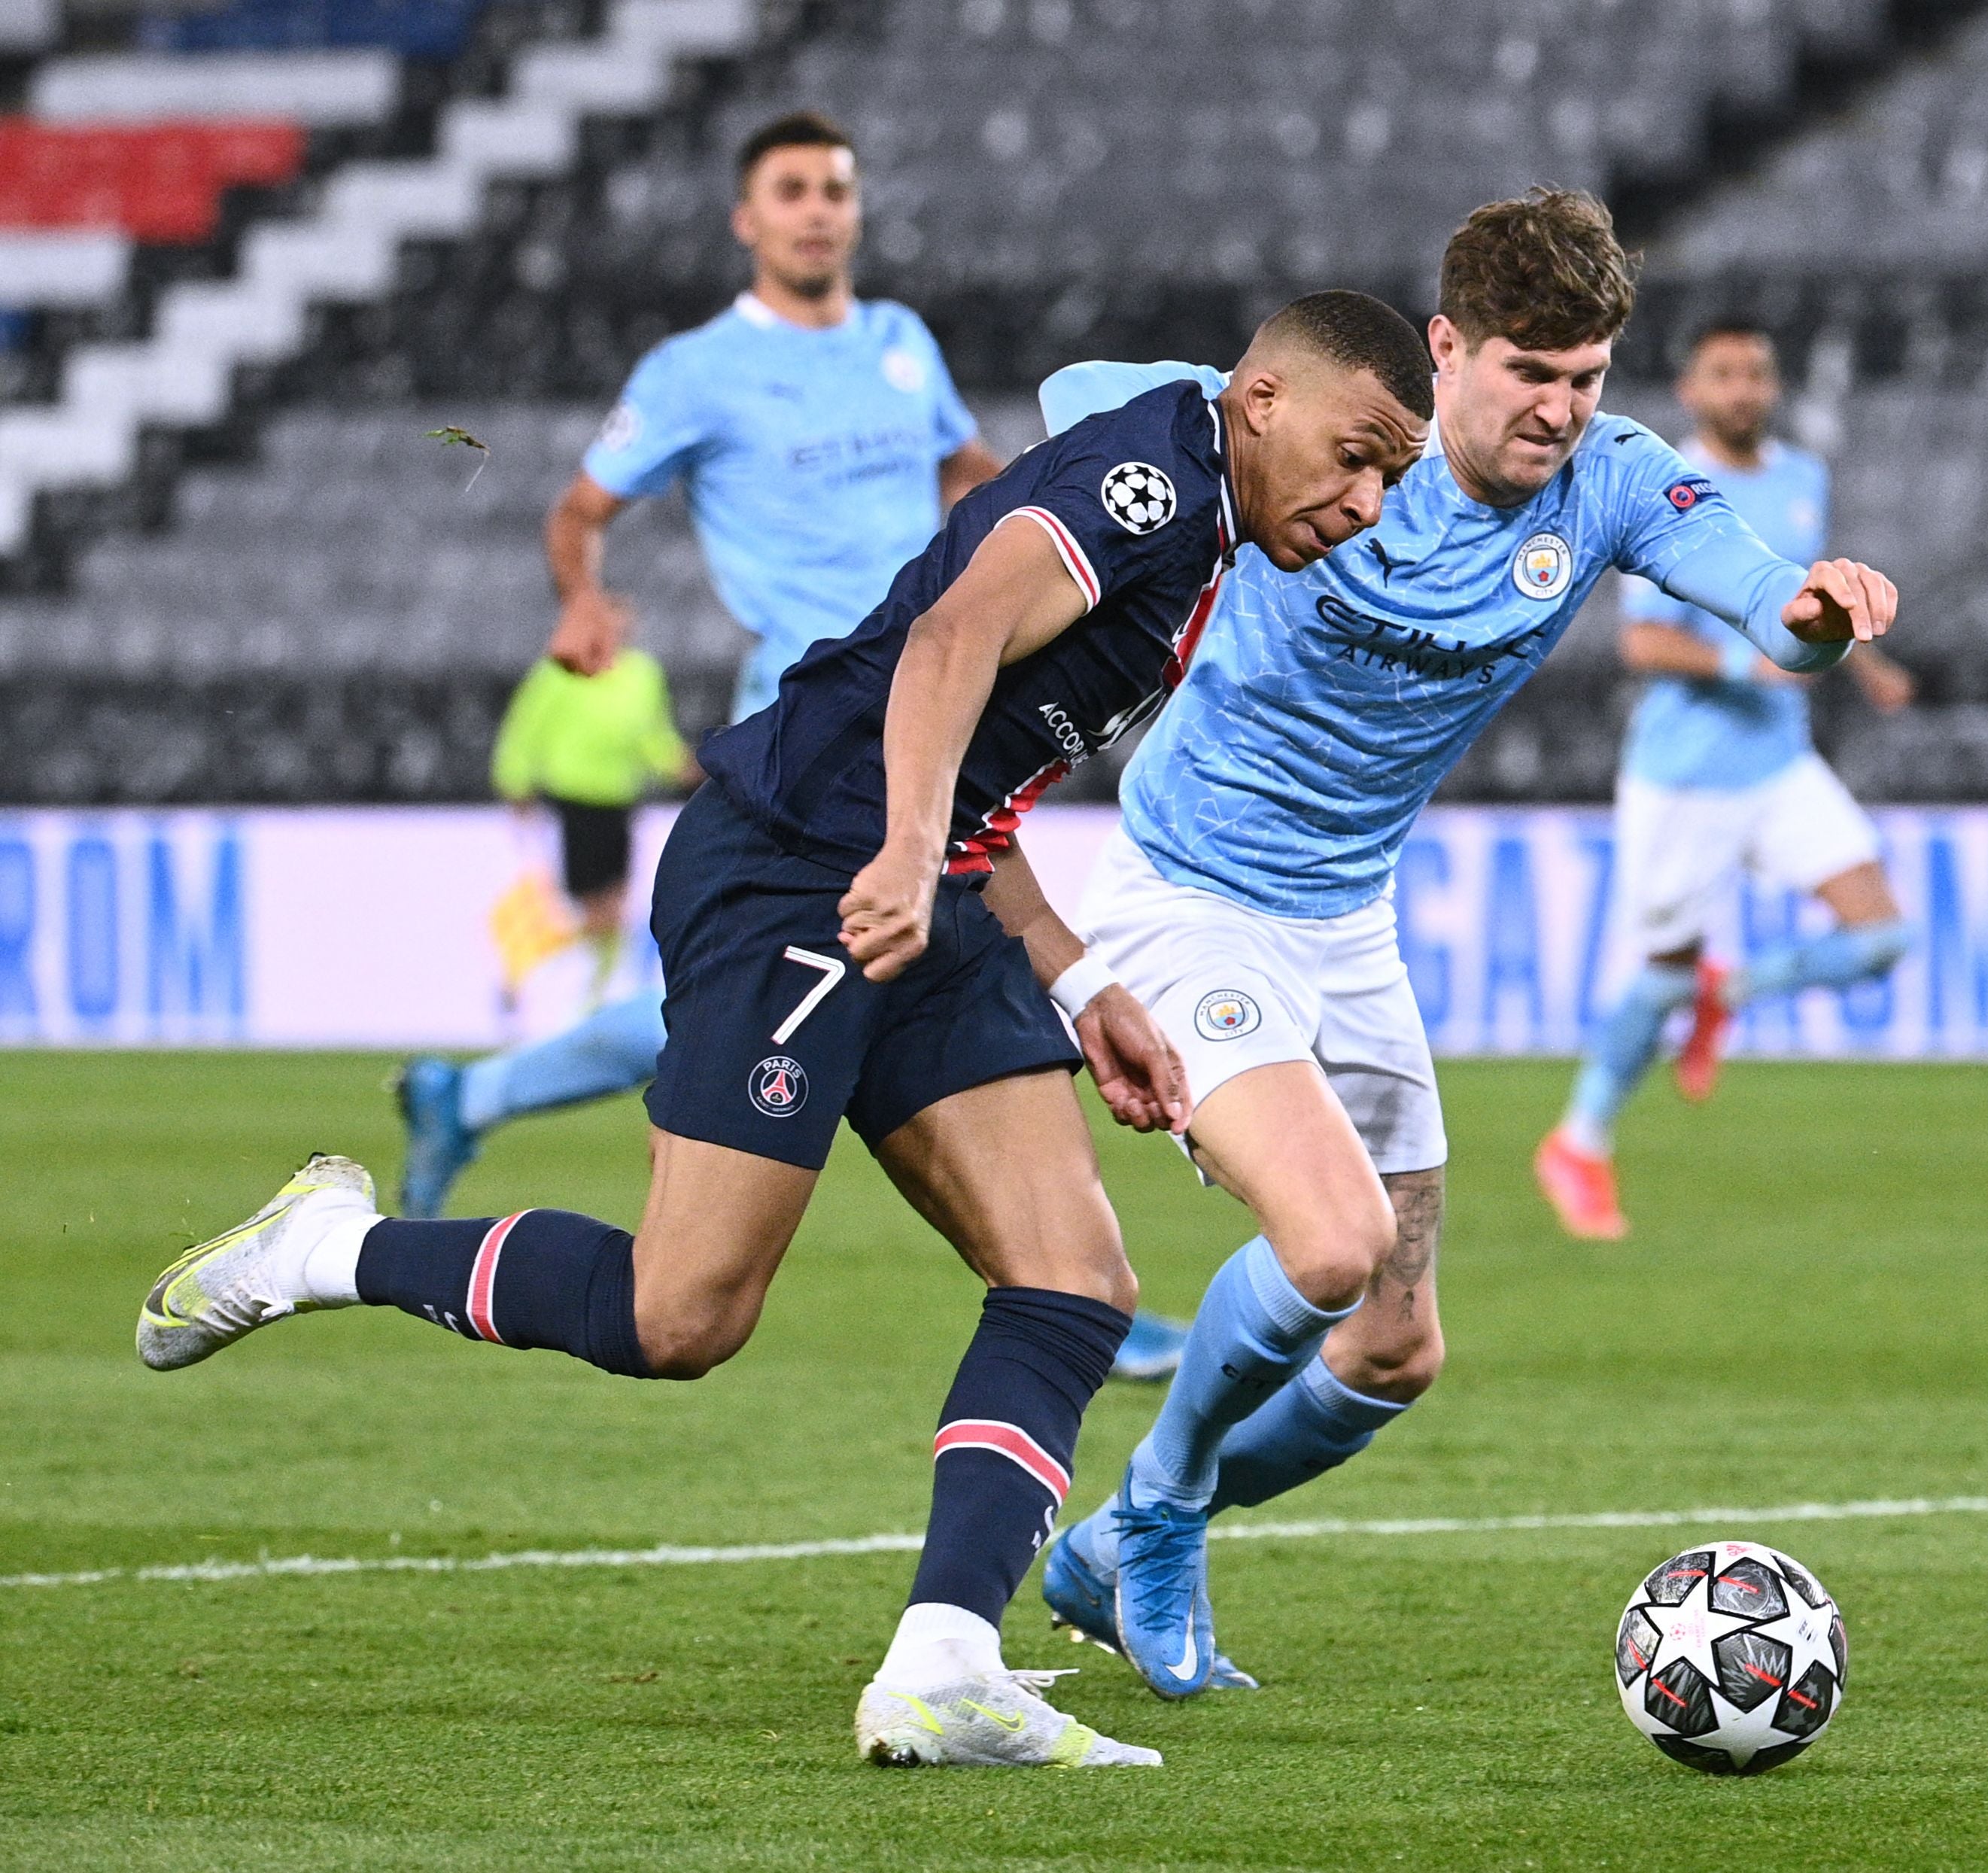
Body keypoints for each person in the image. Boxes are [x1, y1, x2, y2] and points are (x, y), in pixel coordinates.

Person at [135, 290, 1436, 1768]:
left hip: (914, 879)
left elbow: (977, 748)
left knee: (1072, 1276)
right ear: (1263, 399)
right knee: (680, 1315)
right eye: (1358, 452)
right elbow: (947, 642)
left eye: (1393, 475)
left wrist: (1076, 978)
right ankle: (324, 1247)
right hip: (799, 866)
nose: (1367, 499)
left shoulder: (1201, 520)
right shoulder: (1152, 487)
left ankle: (944, 1662)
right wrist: (893, 852)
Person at [1021, 190, 1899, 1700]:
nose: (1559, 408)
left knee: (1391, 1348)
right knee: (1331, 1241)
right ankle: (1158, 1513)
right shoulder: (1331, 436)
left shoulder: (1610, 485)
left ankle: (1108, 1543)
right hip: (1183, 899)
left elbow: (1761, 596)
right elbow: (1078, 403)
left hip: (1349, 923)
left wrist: (1817, 614)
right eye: (1527, 373)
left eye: (1586, 376)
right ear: (1445, 351)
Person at [392, 112, 1193, 1369]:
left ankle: (1064, 1272)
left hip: (944, 706)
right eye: (792, 191)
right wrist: (582, 599)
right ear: (746, 219)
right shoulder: (693, 369)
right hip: (813, 717)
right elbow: (580, 507)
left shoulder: (896, 345)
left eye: (835, 188)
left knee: (844, 989)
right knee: (801, 1004)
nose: (819, 209)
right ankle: (1062, 1273)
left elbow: (966, 473)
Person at [1535, 318, 1919, 1240]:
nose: (1745, 389)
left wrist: (1863, 664)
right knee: (1657, 976)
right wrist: (1757, 666)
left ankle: (1728, 992)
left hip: (1781, 765)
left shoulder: (1800, 479)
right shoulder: (1665, 489)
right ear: (1691, 387)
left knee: (1881, 935)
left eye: (1757, 372)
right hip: (1685, 777)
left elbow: (1809, 599)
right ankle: (1579, 1141)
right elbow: (1641, 639)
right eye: (1724, 374)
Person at [489, 643, 701, 999]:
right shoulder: (559, 670)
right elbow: (527, 725)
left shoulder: (642, 672)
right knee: (596, 909)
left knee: (613, 907)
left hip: (620, 797)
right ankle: (540, 976)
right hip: (575, 794)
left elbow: (651, 735)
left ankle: (595, 995)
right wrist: (515, 780)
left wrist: (678, 766)